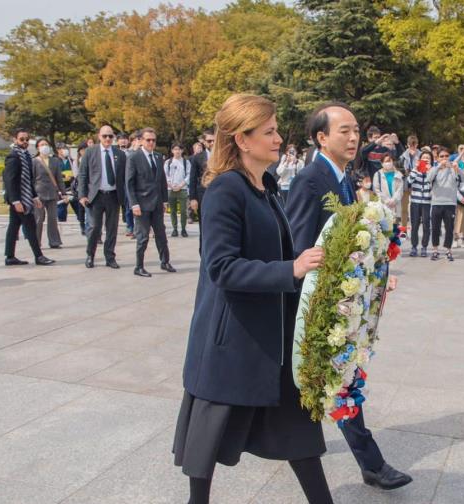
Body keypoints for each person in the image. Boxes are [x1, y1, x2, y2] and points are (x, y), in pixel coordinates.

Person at [174, 94, 333, 504]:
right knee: (205, 447)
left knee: (299, 434)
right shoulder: (226, 190)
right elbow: (222, 268)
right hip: (234, 340)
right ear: (242, 140)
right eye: (269, 131)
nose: (279, 138)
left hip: (272, 334)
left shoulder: (266, 186)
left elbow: (282, 252)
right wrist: (291, 269)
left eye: (276, 129)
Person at [286, 101, 412, 491]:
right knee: (337, 379)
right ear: (321, 137)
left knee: (334, 381)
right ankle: (370, 463)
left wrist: (373, 272)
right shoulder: (310, 180)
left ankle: (364, 461)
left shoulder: (344, 178)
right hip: (314, 302)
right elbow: (298, 242)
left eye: (356, 129)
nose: (354, 136)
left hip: (339, 297)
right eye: (344, 130)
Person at [2, 128, 56, 267]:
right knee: (30, 225)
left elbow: (28, 179)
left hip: (25, 196)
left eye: (27, 139)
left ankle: (9, 256)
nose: (25, 142)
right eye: (21, 139)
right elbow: (10, 180)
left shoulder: (26, 155)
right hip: (19, 199)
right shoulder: (14, 156)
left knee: (13, 226)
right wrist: (15, 200)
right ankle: (38, 256)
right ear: (15, 140)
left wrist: (34, 196)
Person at [126, 127, 175, 277]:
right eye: (148, 140)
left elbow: (161, 181)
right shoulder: (134, 157)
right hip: (141, 203)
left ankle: (165, 261)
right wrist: (134, 204)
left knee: (161, 234)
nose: (151, 143)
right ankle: (139, 266)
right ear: (141, 141)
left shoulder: (158, 157)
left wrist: (165, 200)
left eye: (153, 140)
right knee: (143, 237)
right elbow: (129, 183)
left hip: (157, 203)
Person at [79, 125, 127, 269]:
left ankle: (110, 256)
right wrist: (82, 195)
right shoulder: (90, 152)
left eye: (110, 136)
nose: (107, 139)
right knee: (94, 228)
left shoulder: (120, 154)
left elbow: (124, 177)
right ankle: (90, 255)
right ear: (99, 136)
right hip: (96, 196)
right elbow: (82, 175)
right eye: (104, 136)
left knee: (112, 228)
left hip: (113, 195)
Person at [427, 152, 462, 262]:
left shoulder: (453, 168)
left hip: (450, 203)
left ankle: (448, 250)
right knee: (435, 228)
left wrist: (456, 169)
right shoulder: (434, 169)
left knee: (449, 228)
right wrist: (438, 167)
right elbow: (429, 178)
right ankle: (435, 250)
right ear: (437, 158)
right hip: (437, 202)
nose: (444, 158)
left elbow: (460, 181)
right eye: (441, 156)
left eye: (446, 156)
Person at [32, 139, 66, 249]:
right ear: (37, 147)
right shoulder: (34, 161)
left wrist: (63, 193)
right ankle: (36, 242)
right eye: (42, 145)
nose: (44, 147)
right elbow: (31, 179)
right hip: (39, 193)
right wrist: (32, 195)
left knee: (52, 218)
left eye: (46, 144)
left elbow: (59, 178)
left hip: (52, 193)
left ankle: (54, 241)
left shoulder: (55, 161)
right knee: (38, 219)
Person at [406, 150, 433, 257]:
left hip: (427, 201)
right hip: (415, 202)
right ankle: (414, 246)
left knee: (426, 225)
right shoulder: (415, 170)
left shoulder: (432, 170)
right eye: (424, 157)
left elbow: (434, 184)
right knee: (415, 225)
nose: (426, 159)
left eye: (428, 158)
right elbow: (409, 181)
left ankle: (424, 247)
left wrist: (430, 171)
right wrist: (416, 169)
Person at [188, 129, 214, 222]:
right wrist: (193, 198)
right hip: (202, 194)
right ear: (203, 142)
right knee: (203, 224)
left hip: (220, 193)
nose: (212, 143)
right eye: (209, 141)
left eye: (214, 141)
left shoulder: (222, 156)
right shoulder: (197, 157)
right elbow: (192, 179)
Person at [165, 143, 191, 238]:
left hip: (182, 189)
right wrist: (171, 185)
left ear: (182, 150)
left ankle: (183, 229)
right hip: (170, 189)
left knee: (183, 211)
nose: (177, 151)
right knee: (172, 211)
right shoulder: (168, 162)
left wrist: (181, 185)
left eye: (179, 149)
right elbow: (165, 175)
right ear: (172, 151)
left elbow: (189, 175)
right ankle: (174, 229)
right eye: (175, 149)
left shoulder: (186, 162)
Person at [372, 153, 404, 223]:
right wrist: (386, 200)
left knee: (395, 228)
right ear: (382, 163)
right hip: (383, 206)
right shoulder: (377, 175)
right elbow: (376, 190)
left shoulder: (398, 174)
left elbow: (400, 190)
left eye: (390, 161)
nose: (388, 163)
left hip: (395, 205)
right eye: (386, 161)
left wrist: (393, 200)